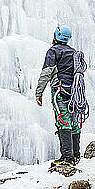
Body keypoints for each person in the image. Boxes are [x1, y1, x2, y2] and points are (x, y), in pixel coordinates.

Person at [35, 25, 81, 166]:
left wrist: (39, 92)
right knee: (74, 121)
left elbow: (46, 73)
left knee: (63, 121)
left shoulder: (53, 51)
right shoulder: (73, 52)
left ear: (56, 36)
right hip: (74, 92)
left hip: (59, 91)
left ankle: (67, 157)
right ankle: (76, 155)